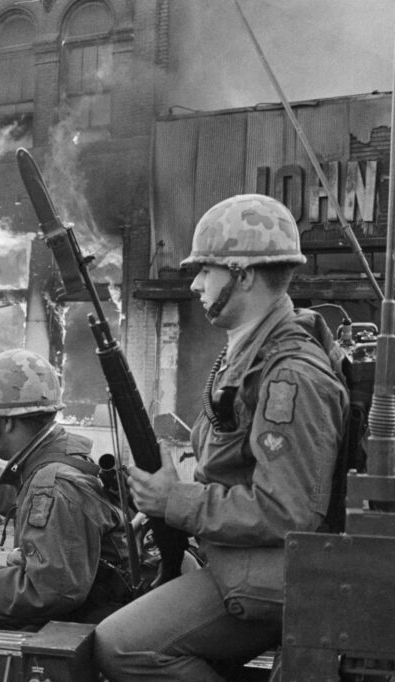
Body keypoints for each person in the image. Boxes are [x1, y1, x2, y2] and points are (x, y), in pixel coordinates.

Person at [94, 194, 349, 680]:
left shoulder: (288, 377)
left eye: (206, 271)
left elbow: (286, 511)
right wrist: (176, 482)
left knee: (122, 645)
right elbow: (238, 462)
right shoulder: (250, 358)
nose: (194, 284)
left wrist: (177, 501)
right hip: (241, 555)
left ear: (245, 274)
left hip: (281, 570)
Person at [0, 348, 130, 629]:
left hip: (82, 622)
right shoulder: (57, 457)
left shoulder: (53, 484)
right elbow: (23, 497)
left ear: (8, 421)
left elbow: (47, 592)